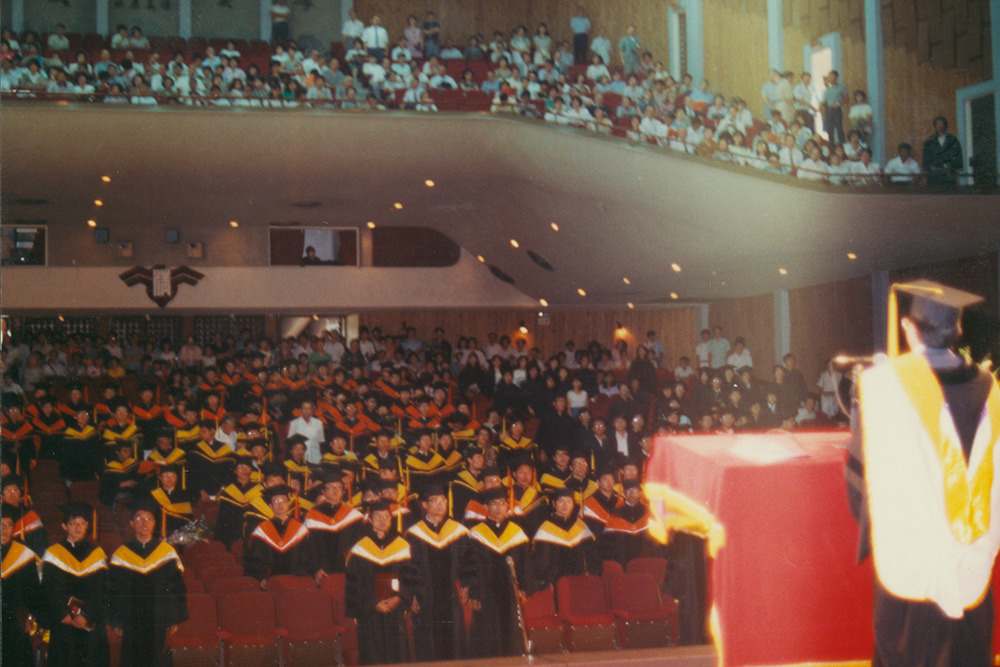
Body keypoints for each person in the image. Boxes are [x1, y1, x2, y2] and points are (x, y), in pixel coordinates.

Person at [848, 279, 1000, 667]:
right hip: (971, 564)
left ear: (909, 328)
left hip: (909, 565)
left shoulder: (881, 384)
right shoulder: (992, 389)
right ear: (957, 329)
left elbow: (862, 484)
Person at [107, 501, 188, 667]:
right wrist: (117, 620)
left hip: (159, 619)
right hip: (131, 620)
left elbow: (176, 588)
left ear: (154, 523)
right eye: (139, 519)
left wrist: (173, 617)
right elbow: (113, 590)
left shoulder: (166, 553)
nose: (145, 523)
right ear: (132, 523)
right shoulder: (121, 555)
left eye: (149, 519)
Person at [465, 487, 534, 657]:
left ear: (507, 507)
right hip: (485, 592)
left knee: (511, 630)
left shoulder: (516, 532)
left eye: (502, 504)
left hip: (510, 590)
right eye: (493, 504)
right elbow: (471, 566)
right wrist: (475, 593)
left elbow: (525, 563)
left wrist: (523, 588)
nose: (498, 508)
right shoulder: (477, 534)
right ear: (486, 508)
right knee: (487, 632)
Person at [346, 498, 416, 665]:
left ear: (391, 520)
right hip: (370, 612)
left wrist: (398, 598)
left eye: (386, 516)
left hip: (395, 609)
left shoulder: (401, 546)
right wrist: (374, 603)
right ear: (370, 520)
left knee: (397, 652)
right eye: (377, 516)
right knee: (373, 654)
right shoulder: (360, 549)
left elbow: (408, 578)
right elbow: (355, 583)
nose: (382, 520)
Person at [405, 484, 471, 660]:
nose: (440, 504)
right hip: (425, 595)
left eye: (443, 500)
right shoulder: (414, 534)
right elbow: (409, 566)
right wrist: (412, 594)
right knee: (429, 641)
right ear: (424, 505)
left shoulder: (457, 531)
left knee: (453, 640)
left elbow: (467, 561)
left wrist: (466, 585)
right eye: (434, 501)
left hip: (451, 594)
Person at [40, 502, 110, 667]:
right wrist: (62, 613)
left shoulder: (96, 554)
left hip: (89, 621)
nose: (78, 528)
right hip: (64, 621)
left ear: (87, 526)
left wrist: (85, 614)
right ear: (64, 526)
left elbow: (100, 589)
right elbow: (50, 588)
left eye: (82, 523)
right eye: (73, 524)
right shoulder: (53, 554)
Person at [532, 487, 602, 589]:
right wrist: (547, 582)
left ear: (573, 504)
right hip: (556, 584)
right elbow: (542, 563)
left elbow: (592, 556)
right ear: (554, 504)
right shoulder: (546, 528)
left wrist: (592, 573)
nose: (565, 505)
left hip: (580, 581)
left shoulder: (580, 526)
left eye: (569, 501)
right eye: (561, 501)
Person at [243, 484, 312, 585]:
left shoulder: (299, 529)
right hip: (270, 581)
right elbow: (255, 558)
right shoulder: (262, 530)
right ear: (270, 506)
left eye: (283, 501)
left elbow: (306, 557)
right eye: (276, 501)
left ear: (288, 504)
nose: (280, 505)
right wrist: (261, 578)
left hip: (296, 579)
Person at [306, 469, 364, 579]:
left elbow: (361, 544)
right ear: (323, 491)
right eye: (331, 487)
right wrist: (316, 568)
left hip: (348, 570)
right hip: (322, 571)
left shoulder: (353, 515)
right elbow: (309, 547)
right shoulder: (313, 515)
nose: (336, 490)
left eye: (339, 487)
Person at [2, 507, 41, 667]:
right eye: (0, 524)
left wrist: (30, 618)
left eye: (8, 525)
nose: (3, 529)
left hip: (16, 622)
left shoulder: (24, 556)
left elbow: (33, 592)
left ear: (13, 528)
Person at [922, 116, 962, 186]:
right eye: (937, 124)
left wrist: (951, 166)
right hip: (934, 174)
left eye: (941, 123)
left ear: (945, 125)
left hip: (948, 173)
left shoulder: (952, 140)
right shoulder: (930, 141)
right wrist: (930, 168)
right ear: (934, 126)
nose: (939, 126)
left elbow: (957, 156)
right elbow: (926, 158)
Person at [820, 70, 847, 145]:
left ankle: (843, 146)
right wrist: (822, 115)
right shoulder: (827, 89)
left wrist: (839, 103)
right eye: (829, 76)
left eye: (831, 76)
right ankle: (832, 148)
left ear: (836, 77)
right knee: (830, 131)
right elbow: (823, 103)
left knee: (839, 129)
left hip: (837, 110)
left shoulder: (841, 86)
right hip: (828, 111)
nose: (830, 78)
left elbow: (847, 98)